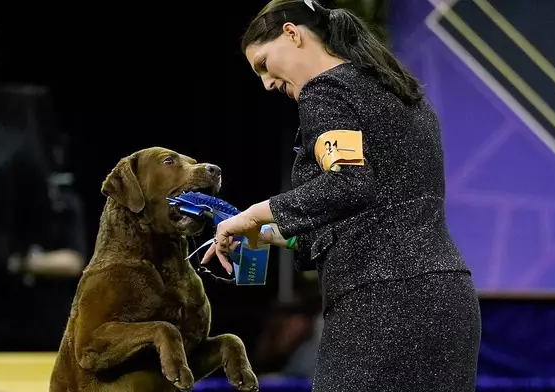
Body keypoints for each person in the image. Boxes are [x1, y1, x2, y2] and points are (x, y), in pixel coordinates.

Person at [201, 0, 481, 390]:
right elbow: (362, 210)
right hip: (445, 299)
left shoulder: (327, 89)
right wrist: (266, 236)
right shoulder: (395, 90)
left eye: (264, 64)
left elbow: (348, 184)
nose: (266, 83)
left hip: (382, 306)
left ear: (292, 34)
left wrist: (253, 214)